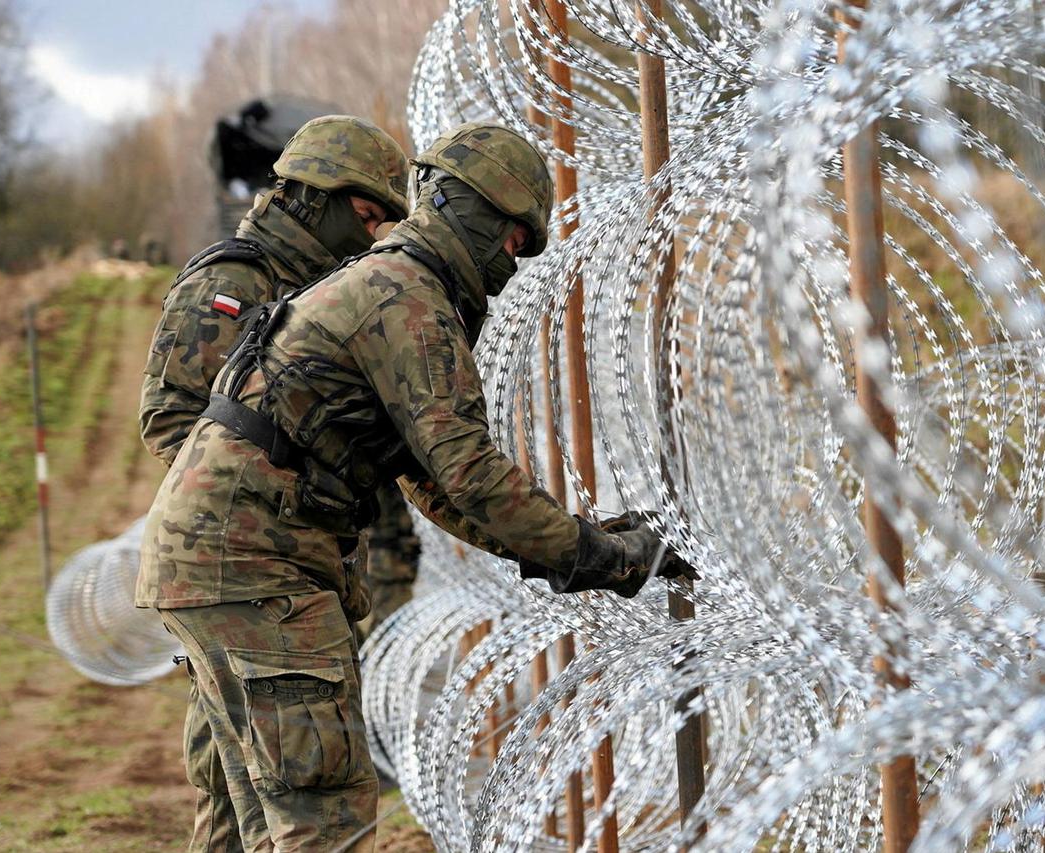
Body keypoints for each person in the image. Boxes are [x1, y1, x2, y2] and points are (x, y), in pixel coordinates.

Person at [137, 121, 696, 851]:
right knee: (323, 813)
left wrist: (582, 545)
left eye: (525, 246)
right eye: (510, 234)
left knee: (257, 826)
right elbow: (467, 469)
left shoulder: (387, 282)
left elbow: (436, 485)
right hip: (259, 570)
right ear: (469, 210)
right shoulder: (410, 299)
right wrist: (599, 553)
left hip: (219, 567)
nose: (512, 257)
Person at [137, 114, 412, 852]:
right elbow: (171, 422)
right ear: (314, 196)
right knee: (241, 795)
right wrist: (269, 502)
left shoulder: (321, 288)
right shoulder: (236, 279)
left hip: (294, 574)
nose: (374, 235)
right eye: (365, 216)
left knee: (269, 793)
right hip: (243, 577)